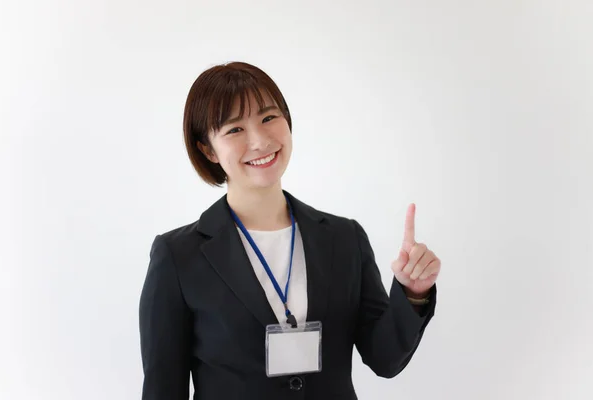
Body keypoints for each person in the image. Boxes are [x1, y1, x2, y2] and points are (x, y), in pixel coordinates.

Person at [138, 61, 440, 399]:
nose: (259, 141)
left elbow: (385, 359)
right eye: (234, 130)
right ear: (208, 149)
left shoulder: (344, 239)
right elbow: (163, 389)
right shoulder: (179, 256)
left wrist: (412, 294)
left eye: (268, 118)